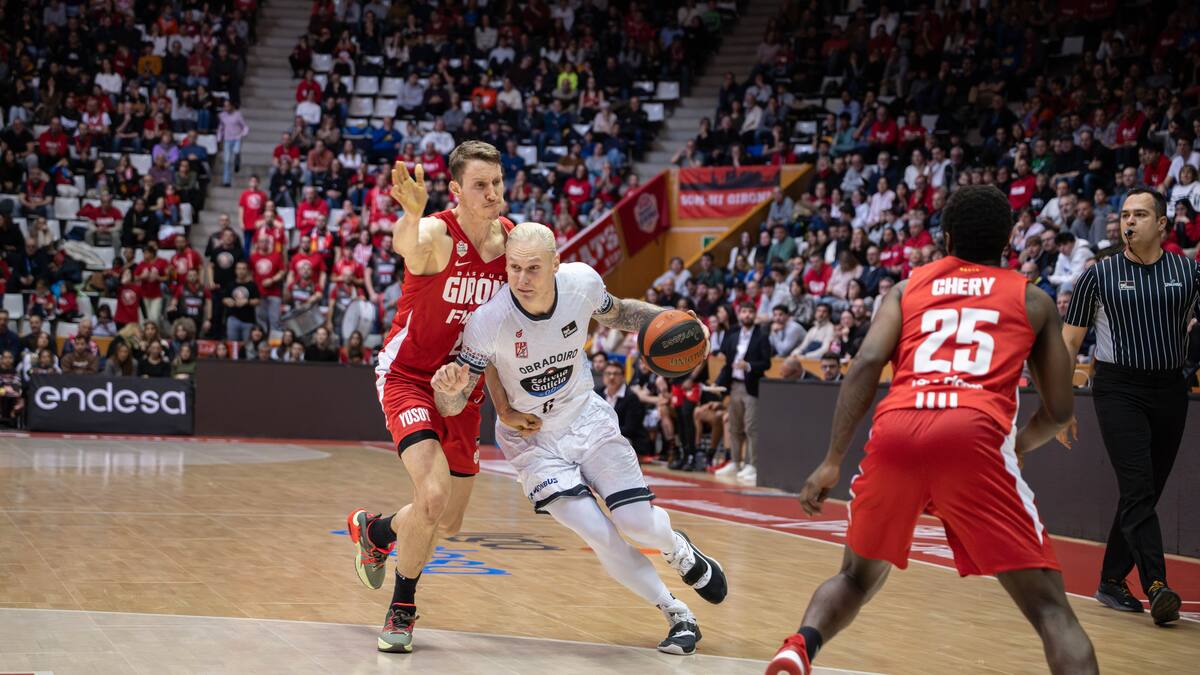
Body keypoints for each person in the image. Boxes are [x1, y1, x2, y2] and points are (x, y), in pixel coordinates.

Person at [766, 185, 1096, 675]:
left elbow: (865, 365)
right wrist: (1019, 444)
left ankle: (799, 646)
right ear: (1009, 241)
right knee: (1050, 608)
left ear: (944, 239)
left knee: (855, 577)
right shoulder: (1032, 299)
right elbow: (1061, 410)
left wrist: (832, 458)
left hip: (898, 428)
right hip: (973, 434)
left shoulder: (908, 287)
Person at [432, 222, 727, 655]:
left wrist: (679, 324)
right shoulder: (487, 320)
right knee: (599, 534)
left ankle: (677, 549)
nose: (522, 279)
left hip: (587, 419)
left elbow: (623, 313)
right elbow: (454, 406)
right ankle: (676, 612)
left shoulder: (581, 283)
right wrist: (448, 391)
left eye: (533, 268)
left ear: (555, 264)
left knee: (636, 524)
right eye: (514, 268)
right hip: (532, 443)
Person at [345, 142, 514, 654]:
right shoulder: (440, 232)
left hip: (467, 386)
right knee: (433, 497)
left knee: (451, 520)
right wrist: (412, 212)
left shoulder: (513, 245)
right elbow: (411, 246)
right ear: (457, 191)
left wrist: (504, 406)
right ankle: (403, 608)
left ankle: (375, 530)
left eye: (497, 183)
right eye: (480, 185)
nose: (492, 194)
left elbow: (506, 336)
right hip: (410, 376)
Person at [1059, 188, 1194, 625]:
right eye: (1124, 215)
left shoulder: (1188, 272)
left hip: (1171, 388)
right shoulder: (1097, 276)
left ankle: (1112, 579)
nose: (1129, 223)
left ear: (1161, 225)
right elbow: (1069, 343)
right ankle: (1157, 585)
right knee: (1138, 487)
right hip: (1118, 388)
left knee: (1145, 490)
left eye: (1140, 215)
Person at [712, 300, 771, 485]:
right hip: (735, 385)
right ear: (739, 314)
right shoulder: (733, 336)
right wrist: (718, 383)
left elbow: (767, 363)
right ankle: (736, 462)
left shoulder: (761, 337)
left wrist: (749, 366)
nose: (747, 315)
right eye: (744, 311)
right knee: (734, 427)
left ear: (754, 315)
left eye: (750, 312)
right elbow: (727, 364)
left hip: (751, 386)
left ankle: (752, 464)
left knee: (751, 427)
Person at [597, 360, 652, 456]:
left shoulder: (631, 397)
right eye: (608, 373)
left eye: (616, 374)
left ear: (622, 377)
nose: (611, 377)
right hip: (602, 437)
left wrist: (604, 432)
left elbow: (630, 429)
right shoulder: (597, 394)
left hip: (629, 440)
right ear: (603, 376)